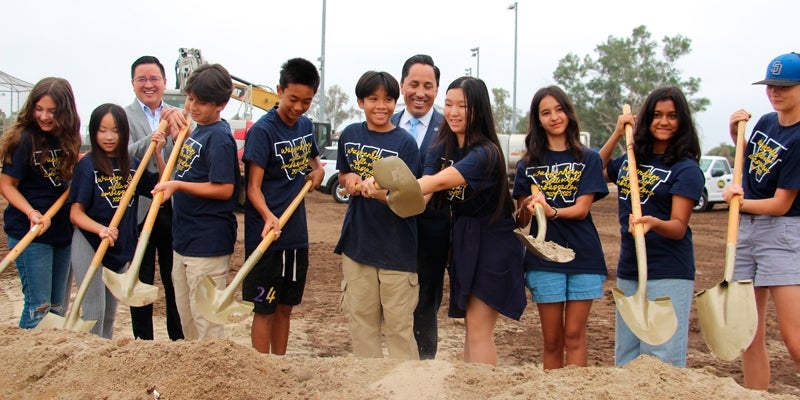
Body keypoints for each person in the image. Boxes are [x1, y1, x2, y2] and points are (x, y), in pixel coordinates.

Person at [400, 76, 526, 365]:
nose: (454, 112)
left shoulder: (486, 153)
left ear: (479, 110)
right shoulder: (440, 147)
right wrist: (385, 193)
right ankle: (474, 388)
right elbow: (423, 193)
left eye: (463, 106)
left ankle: (483, 389)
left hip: (494, 243)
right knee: (472, 326)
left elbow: (435, 183)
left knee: (479, 328)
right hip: (465, 241)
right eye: (449, 104)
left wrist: (386, 184)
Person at [598, 86, 704, 368]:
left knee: (661, 360)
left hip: (669, 272)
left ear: (682, 121)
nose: (664, 121)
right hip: (630, 269)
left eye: (672, 115)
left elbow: (679, 226)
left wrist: (654, 223)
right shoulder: (630, 160)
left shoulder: (686, 169)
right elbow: (593, 172)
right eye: (657, 115)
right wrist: (618, 134)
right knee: (627, 356)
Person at [512, 86, 608, 370]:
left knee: (575, 336)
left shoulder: (588, 158)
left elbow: (581, 210)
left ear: (568, 113)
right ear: (537, 120)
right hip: (544, 261)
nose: (554, 117)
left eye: (559, 109)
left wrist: (551, 211)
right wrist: (527, 205)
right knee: (552, 340)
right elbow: (521, 222)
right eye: (545, 112)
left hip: (583, 257)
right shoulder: (527, 165)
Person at [723, 52, 800, 390]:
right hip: (746, 230)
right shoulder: (767, 122)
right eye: (770, 85)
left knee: (793, 337)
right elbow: (752, 161)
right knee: (747, 332)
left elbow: (782, 204)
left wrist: (740, 201)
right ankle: (757, 395)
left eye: (784, 86)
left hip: (782, 234)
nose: (774, 92)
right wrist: (734, 133)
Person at [241, 58, 325, 354]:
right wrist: (268, 216)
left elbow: (314, 161)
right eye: (293, 99)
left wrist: (318, 171)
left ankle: (280, 363)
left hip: (295, 236)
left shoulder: (304, 125)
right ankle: (262, 369)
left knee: (286, 307)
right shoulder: (263, 132)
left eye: (307, 101)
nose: (299, 107)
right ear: (279, 91)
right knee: (264, 308)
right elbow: (252, 188)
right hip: (266, 238)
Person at [336, 70, 421, 360]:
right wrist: (348, 180)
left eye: (388, 100)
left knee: (399, 327)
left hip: (398, 249)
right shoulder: (350, 135)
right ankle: (368, 385)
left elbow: (413, 199)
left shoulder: (405, 144)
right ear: (361, 102)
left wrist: (381, 193)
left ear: (396, 103)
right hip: (357, 246)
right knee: (362, 324)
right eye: (373, 99)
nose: (381, 106)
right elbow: (344, 172)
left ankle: (404, 387)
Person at [155, 63, 240, 340]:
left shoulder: (219, 138)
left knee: (206, 321)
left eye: (201, 102)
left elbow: (225, 189)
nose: (192, 106)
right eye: (190, 98)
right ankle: (195, 375)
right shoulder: (197, 132)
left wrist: (178, 185)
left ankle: (212, 378)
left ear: (221, 105)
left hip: (207, 244)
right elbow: (179, 173)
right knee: (187, 316)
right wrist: (159, 152)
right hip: (184, 239)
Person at [68, 103, 166, 339]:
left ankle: (103, 362)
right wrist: (100, 230)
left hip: (119, 246)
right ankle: (92, 361)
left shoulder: (132, 165)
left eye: (115, 131)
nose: (109, 137)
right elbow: (75, 213)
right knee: (94, 311)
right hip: (91, 243)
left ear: (125, 133)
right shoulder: (87, 166)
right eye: (102, 131)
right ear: (93, 132)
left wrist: (158, 154)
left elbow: (162, 190)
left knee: (111, 314)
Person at [0, 77, 82, 329]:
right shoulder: (24, 139)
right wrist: (31, 212)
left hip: (61, 231)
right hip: (31, 232)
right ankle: (28, 360)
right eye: (39, 109)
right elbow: (6, 185)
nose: (44, 116)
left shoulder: (69, 138)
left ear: (65, 112)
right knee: (39, 307)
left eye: (52, 111)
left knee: (58, 307)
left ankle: (50, 361)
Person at [389, 54, 450, 360]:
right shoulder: (386, 123)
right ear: (402, 85)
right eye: (414, 84)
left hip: (431, 234)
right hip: (387, 231)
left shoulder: (448, 129)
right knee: (390, 303)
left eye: (428, 86)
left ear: (437, 90)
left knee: (425, 305)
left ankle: (424, 369)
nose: (420, 92)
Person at [125, 55, 183, 341]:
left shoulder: (178, 113)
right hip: (140, 207)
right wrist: (150, 139)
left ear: (164, 82)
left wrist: (171, 132)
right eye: (142, 79)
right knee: (141, 277)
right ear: (133, 83)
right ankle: (142, 342)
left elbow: (184, 155)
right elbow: (119, 153)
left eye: (154, 79)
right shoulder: (123, 117)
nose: (148, 85)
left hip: (171, 207)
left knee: (174, 279)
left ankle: (178, 338)